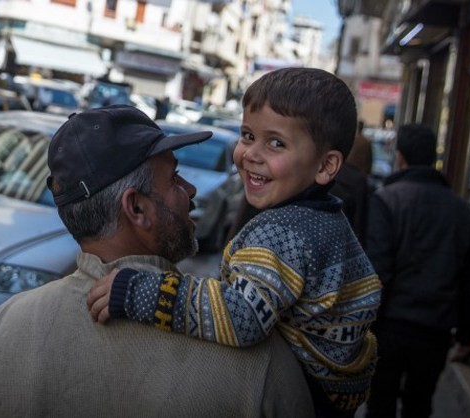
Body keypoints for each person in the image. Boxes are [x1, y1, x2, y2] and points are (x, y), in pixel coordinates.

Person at [0, 105, 316, 418]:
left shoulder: (2, 331)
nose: (189, 190)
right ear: (137, 209)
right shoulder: (258, 361)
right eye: (174, 178)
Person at [88, 68, 382, 417]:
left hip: (306, 395)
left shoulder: (282, 232)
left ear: (325, 166)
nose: (250, 154)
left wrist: (142, 292)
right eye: (247, 135)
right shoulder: (325, 218)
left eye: (276, 142)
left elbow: (243, 317)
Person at [364, 124, 470, 418]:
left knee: (380, 403)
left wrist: (366, 323)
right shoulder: (462, 210)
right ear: (433, 159)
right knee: (420, 405)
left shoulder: (387, 200)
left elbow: (379, 270)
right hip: (435, 329)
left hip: (390, 326)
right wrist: (467, 333)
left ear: (401, 157)